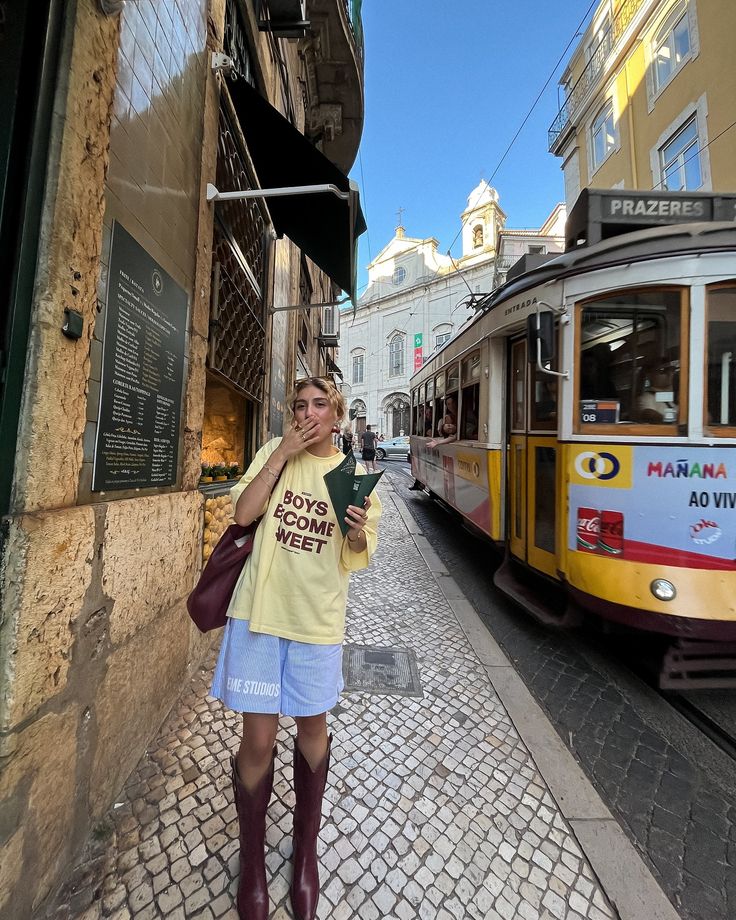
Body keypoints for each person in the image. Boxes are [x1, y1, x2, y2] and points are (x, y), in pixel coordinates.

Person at [211, 377, 382, 920]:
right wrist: (281, 453)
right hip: (260, 617)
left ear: (337, 415)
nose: (309, 414)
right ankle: (254, 864)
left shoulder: (353, 478)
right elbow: (243, 516)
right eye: (300, 406)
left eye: (319, 406)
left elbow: (358, 551)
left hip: (317, 623)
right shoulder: (273, 453)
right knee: (257, 739)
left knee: (312, 727)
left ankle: (304, 854)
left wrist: (355, 534)